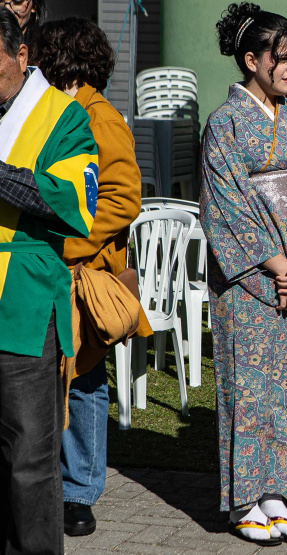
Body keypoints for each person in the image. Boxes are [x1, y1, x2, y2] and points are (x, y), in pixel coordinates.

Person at [201, 2, 287, 546]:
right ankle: (244, 500)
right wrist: (278, 266)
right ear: (250, 59)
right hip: (254, 277)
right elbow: (226, 204)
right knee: (250, 384)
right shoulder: (226, 123)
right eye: (280, 59)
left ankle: (279, 490)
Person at [29, 17, 147, 538]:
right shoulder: (53, 110)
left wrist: (65, 243)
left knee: (85, 383)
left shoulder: (98, 116)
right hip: (51, 273)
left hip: (83, 276)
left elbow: (123, 198)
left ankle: (80, 493)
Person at [0, 9, 99, 553]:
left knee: (29, 456)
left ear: (21, 55)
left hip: (25, 297)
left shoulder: (64, 116)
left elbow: (74, 203)